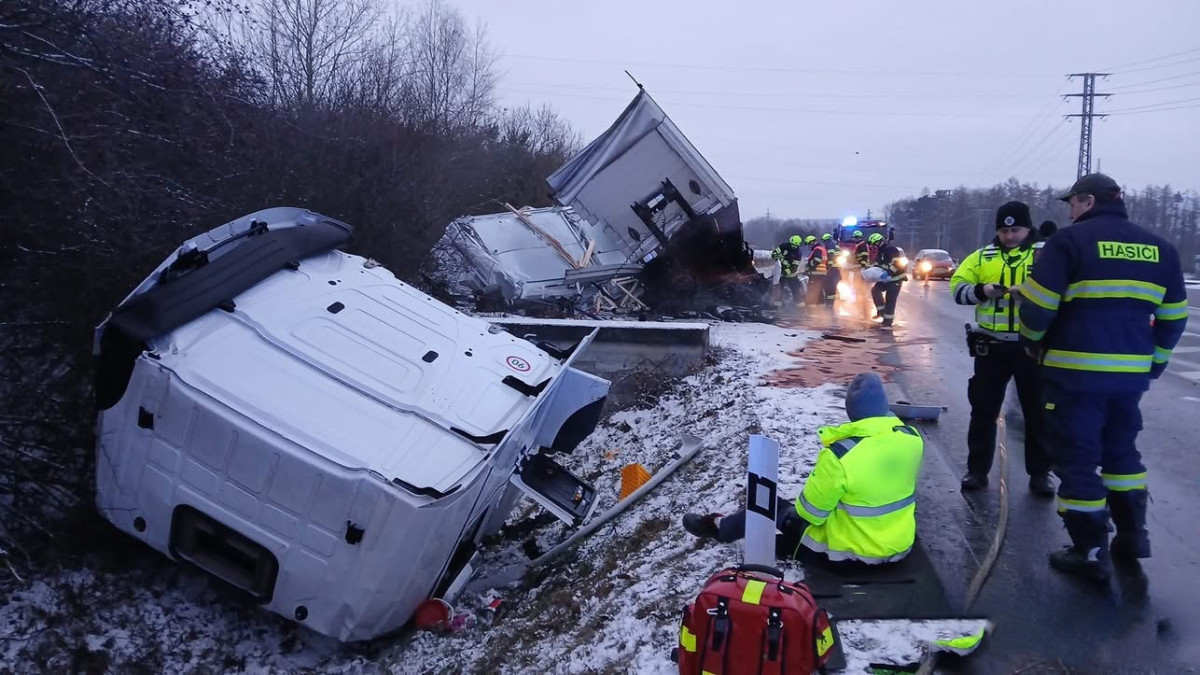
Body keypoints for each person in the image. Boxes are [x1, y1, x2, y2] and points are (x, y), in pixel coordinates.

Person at [1017, 173, 1189, 581]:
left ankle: (1089, 551)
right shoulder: (1161, 249)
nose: (1070, 212)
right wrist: (1154, 364)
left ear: (1089, 201)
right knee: (1122, 454)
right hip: (1129, 379)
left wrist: (1031, 343)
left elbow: (1038, 307)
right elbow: (1174, 318)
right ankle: (1132, 537)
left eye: (1073, 203)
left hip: (1074, 374)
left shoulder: (1069, 242)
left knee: (1076, 458)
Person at [681, 373, 924, 565]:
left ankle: (720, 529)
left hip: (849, 557)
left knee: (772, 506)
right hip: (898, 548)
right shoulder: (911, 438)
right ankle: (730, 528)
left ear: (852, 412)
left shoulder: (841, 455)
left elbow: (810, 514)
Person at [950, 201, 1054, 496]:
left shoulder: (1045, 255)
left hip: (1032, 347)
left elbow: (1062, 290)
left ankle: (1040, 474)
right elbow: (957, 287)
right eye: (1004, 231)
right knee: (983, 411)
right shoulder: (982, 257)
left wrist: (1031, 294)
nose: (1009, 236)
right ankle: (977, 471)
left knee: (1037, 412)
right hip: (992, 347)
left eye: (1015, 230)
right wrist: (981, 291)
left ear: (1028, 229)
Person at [868, 233, 906, 328]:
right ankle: (881, 312)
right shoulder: (881, 251)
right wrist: (870, 270)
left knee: (890, 300)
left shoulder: (891, 249)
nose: (874, 246)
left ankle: (887, 322)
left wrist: (888, 272)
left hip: (896, 279)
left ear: (880, 242)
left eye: (875, 244)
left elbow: (898, 264)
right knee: (875, 290)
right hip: (886, 279)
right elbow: (879, 264)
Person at [772, 234, 807, 309]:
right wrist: (775, 256)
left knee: (796, 290)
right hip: (780, 274)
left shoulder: (798, 252)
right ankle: (777, 307)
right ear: (790, 242)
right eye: (793, 245)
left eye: (796, 246)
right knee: (779, 290)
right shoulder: (784, 246)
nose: (794, 247)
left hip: (791, 275)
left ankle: (801, 308)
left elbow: (794, 267)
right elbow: (774, 253)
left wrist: (785, 272)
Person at [805, 234, 831, 307]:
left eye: (809, 244)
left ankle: (812, 306)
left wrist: (810, 265)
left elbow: (817, 260)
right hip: (821, 273)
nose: (809, 246)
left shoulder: (817, 249)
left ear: (812, 242)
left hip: (816, 273)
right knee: (819, 290)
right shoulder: (821, 249)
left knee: (813, 289)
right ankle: (821, 306)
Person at [819, 233, 842, 306]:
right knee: (833, 288)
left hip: (832, 270)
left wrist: (828, 267)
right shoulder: (837, 247)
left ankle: (829, 305)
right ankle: (834, 304)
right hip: (837, 270)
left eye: (824, 241)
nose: (823, 243)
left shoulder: (830, 245)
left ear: (826, 240)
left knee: (829, 287)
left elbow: (831, 256)